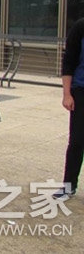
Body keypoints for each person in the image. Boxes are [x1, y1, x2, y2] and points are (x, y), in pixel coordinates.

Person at [53, 17, 84, 201]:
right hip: (80, 91)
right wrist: (67, 94)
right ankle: (68, 186)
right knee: (77, 141)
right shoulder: (80, 27)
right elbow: (69, 62)